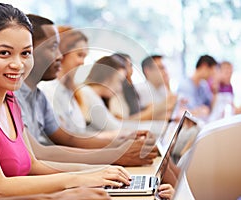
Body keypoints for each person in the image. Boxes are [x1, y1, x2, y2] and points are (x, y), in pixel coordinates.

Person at [0, 4, 130, 198]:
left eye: (25, 53)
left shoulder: (9, 99)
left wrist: (97, 172)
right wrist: (76, 181)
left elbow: (32, 166)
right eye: (4, 53)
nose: (18, 64)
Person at [14, 14, 158, 166]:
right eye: (53, 48)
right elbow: (37, 153)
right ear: (27, 51)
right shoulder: (15, 96)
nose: (59, 57)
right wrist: (115, 155)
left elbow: (71, 139)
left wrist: (121, 145)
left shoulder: (38, 97)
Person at [134, 55, 177, 120]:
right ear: (147, 71)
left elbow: (172, 110)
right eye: (161, 68)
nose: (165, 72)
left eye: (165, 68)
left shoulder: (163, 89)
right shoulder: (141, 89)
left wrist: (168, 85)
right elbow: (152, 115)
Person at [177, 55, 218, 120]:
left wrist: (215, 91)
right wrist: (201, 111)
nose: (211, 76)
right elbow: (185, 113)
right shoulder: (185, 85)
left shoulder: (203, 86)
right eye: (211, 72)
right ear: (204, 66)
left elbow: (210, 108)